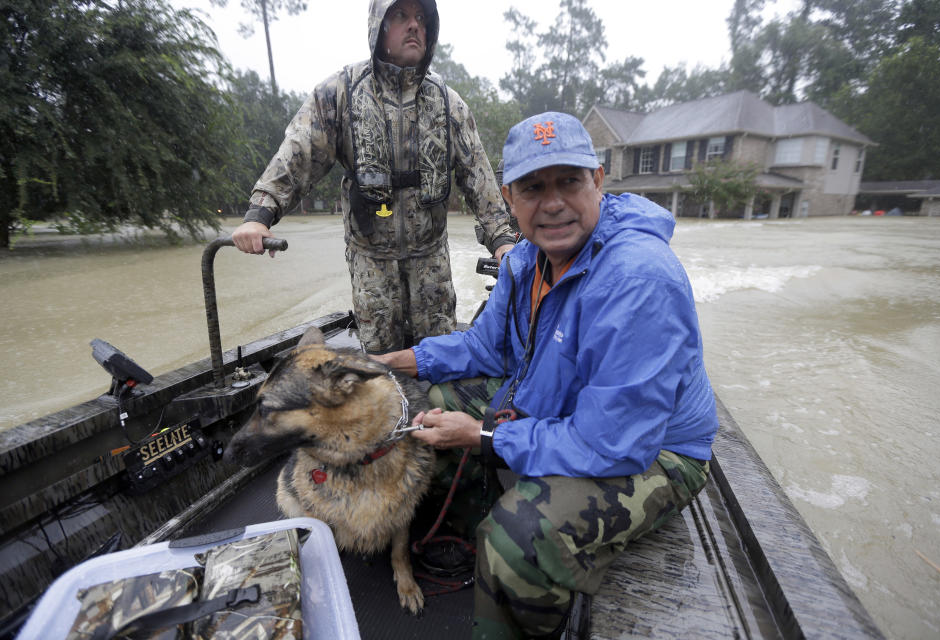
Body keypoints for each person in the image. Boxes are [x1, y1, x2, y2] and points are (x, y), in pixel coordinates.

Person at [373, 111, 719, 639]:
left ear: (598, 182)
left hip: (656, 450)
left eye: (569, 182)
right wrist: (384, 363)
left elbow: (614, 443)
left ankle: (518, 595)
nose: (552, 203)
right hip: (570, 407)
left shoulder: (638, 280)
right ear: (510, 199)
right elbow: (483, 348)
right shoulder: (524, 263)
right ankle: (462, 534)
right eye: (533, 187)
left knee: (516, 539)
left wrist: (486, 436)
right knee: (439, 397)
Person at [231, 0, 515, 354]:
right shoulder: (341, 92)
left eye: (421, 18)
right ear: (379, 28)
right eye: (400, 16)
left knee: (440, 359)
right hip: (371, 261)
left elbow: (478, 175)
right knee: (380, 365)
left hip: (432, 261)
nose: (414, 26)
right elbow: (299, 153)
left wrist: (502, 240)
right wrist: (260, 215)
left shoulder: (447, 102)